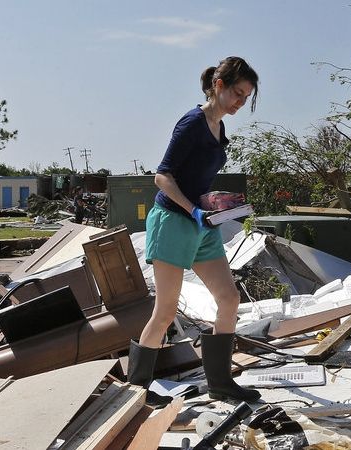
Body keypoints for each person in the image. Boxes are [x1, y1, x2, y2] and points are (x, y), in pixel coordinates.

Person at [127, 57, 260, 408]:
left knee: (229, 299)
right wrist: (194, 209)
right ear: (218, 85)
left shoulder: (219, 128)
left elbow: (195, 176)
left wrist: (215, 202)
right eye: (237, 93)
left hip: (203, 225)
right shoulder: (192, 123)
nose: (240, 102)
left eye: (246, 97)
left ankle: (221, 383)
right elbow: (163, 177)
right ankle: (135, 395)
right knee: (166, 311)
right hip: (173, 221)